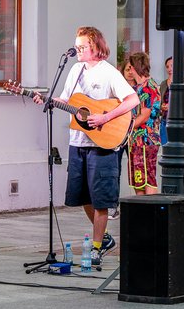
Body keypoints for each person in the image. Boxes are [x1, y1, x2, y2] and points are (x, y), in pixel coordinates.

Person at [32, 26, 138, 266]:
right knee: (82, 196)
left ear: (96, 47)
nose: (78, 50)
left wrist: (104, 117)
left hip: (103, 145)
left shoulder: (109, 72)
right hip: (78, 142)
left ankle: (97, 247)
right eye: (77, 46)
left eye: (83, 46)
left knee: (101, 199)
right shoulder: (75, 70)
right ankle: (106, 237)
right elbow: (66, 99)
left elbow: (133, 99)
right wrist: (45, 98)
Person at [126, 52, 162, 195]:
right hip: (136, 140)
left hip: (147, 140)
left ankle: (150, 214)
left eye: (130, 67)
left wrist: (126, 128)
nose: (129, 71)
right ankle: (141, 213)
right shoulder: (138, 87)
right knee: (138, 179)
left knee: (148, 179)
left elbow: (145, 115)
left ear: (136, 67)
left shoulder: (148, 86)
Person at [159, 56, 172, 146]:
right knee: (165, 146)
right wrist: (162, 106)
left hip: (176, 121)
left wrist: (170, 107)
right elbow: (159, 101)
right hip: (164, 120)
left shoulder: (183, 82)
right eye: (167, 67)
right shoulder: (163, 83)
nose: (169, 69)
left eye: (172, 66)